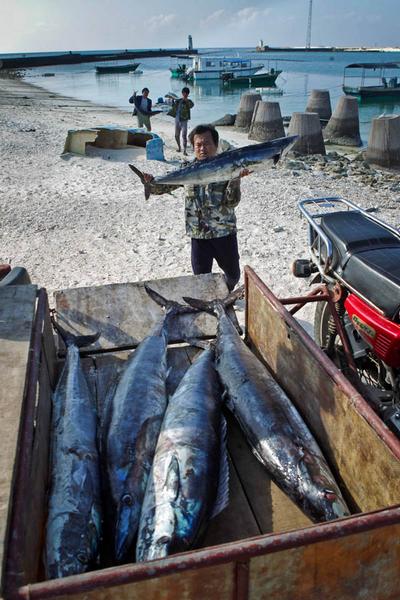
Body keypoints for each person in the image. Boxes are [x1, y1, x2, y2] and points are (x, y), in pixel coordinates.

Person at [141, 124, 250, 291]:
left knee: (233, 275)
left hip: (224, 232)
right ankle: (212, 300)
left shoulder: (228, 166)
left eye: (207, 143)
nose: (202, 148)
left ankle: (226, 293)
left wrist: (236, 179)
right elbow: (163, 187)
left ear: (216, 144)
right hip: (198, 234)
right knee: (200, 278)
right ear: (193, 147)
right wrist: (150, 183)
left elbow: (232, 202)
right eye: (198, 145)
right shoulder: (186, 169)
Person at [170, 87, 194, 155]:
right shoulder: (178, 100)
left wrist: (186, 101)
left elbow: (191, 106)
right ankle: (179, 147)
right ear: (182, 93)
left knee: (184, 136)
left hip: (184, 121)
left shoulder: (189, 101)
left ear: (188, 94)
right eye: (184, 93)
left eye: (186, 93)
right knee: (176, 135)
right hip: (177, 120)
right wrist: (172, 100)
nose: (185, 94)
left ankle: (185, 150)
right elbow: (173, 107)